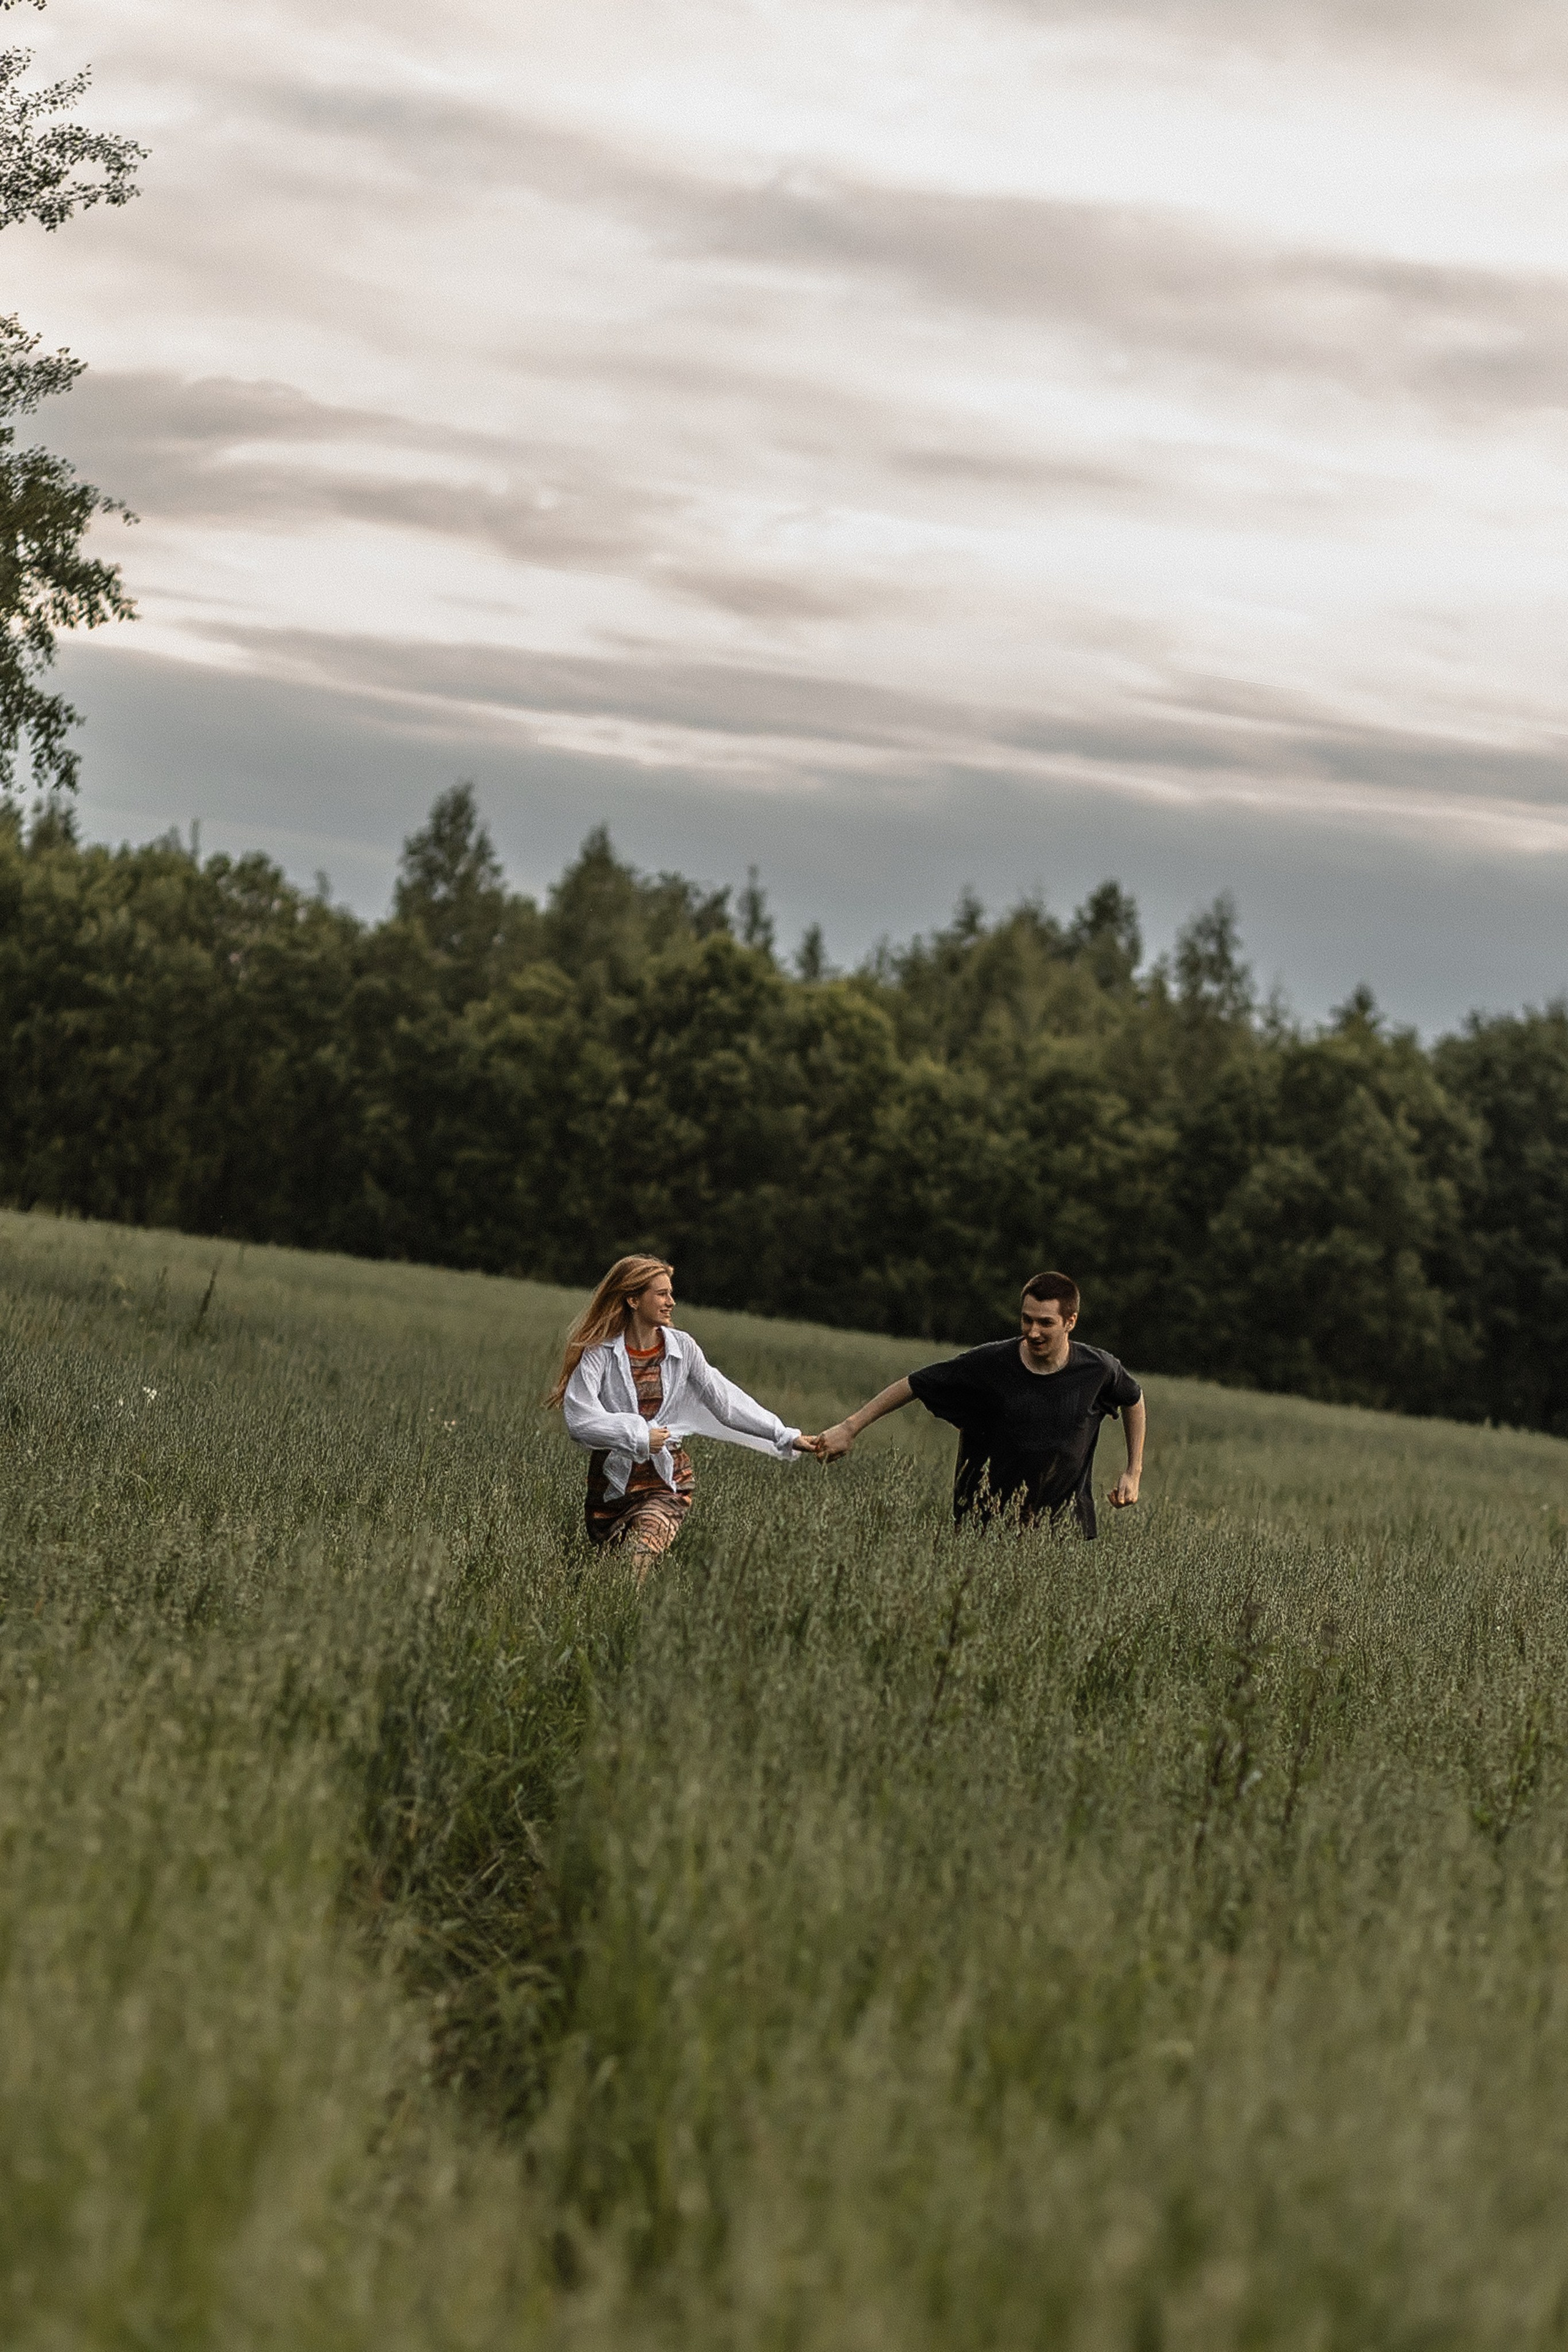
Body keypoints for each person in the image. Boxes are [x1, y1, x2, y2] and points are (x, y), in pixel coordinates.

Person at [816, 1270, 1145, 1536]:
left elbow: (1134, 1398)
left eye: (1046, 1323)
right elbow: (914, 1384)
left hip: (1061, 1529)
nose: (1033, 1332)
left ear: (1070, 1322)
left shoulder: (1097, 1369)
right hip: (984, 1524)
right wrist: (850, 1428)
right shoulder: (989, 1364)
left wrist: (1133, 1471)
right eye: (1027, 1320)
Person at [549, 1254, 820, 1578]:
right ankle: (617, 1617)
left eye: (670, 1293)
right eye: (661, 1294)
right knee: (611, 1574)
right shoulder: (600, 1353)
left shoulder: (683, 1348)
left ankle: (631, 1619)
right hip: (611, 1489)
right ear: (633, 1300)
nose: (671, 1302)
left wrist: (785, 1435)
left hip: (666, 1484)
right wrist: (637, 1435)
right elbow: (579, 1419)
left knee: (639, 1557)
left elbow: (727, 1403)